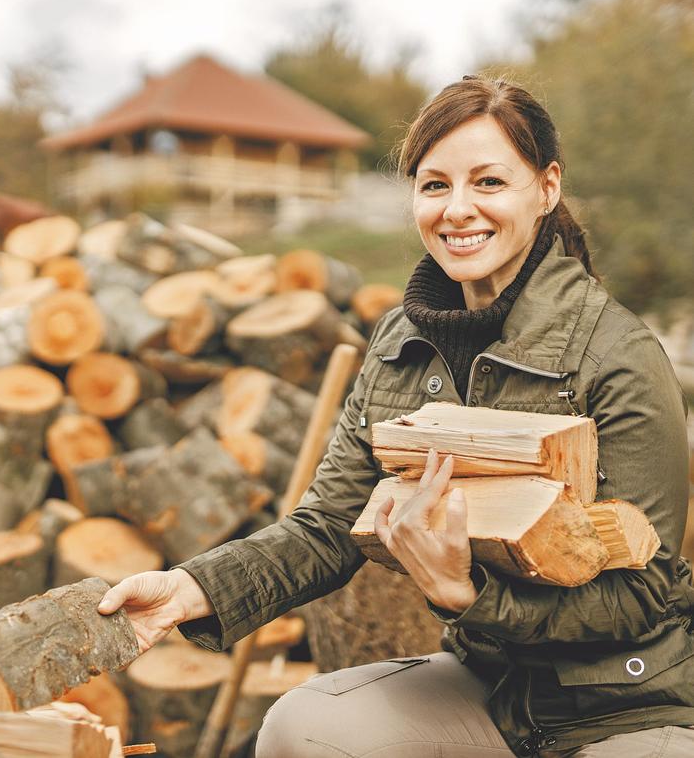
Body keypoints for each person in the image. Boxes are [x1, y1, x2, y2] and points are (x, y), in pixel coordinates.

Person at [98, 76, 694, 757]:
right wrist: (186, 589)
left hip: (627, 703)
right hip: (489, 687)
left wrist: (468, 597)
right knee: (302, 728)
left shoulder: (620, 354)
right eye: (435, 185)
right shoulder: (399, 342)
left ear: (547, 188)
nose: (458, 209)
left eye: (490, 182)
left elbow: (642, 597)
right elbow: (325, 527)